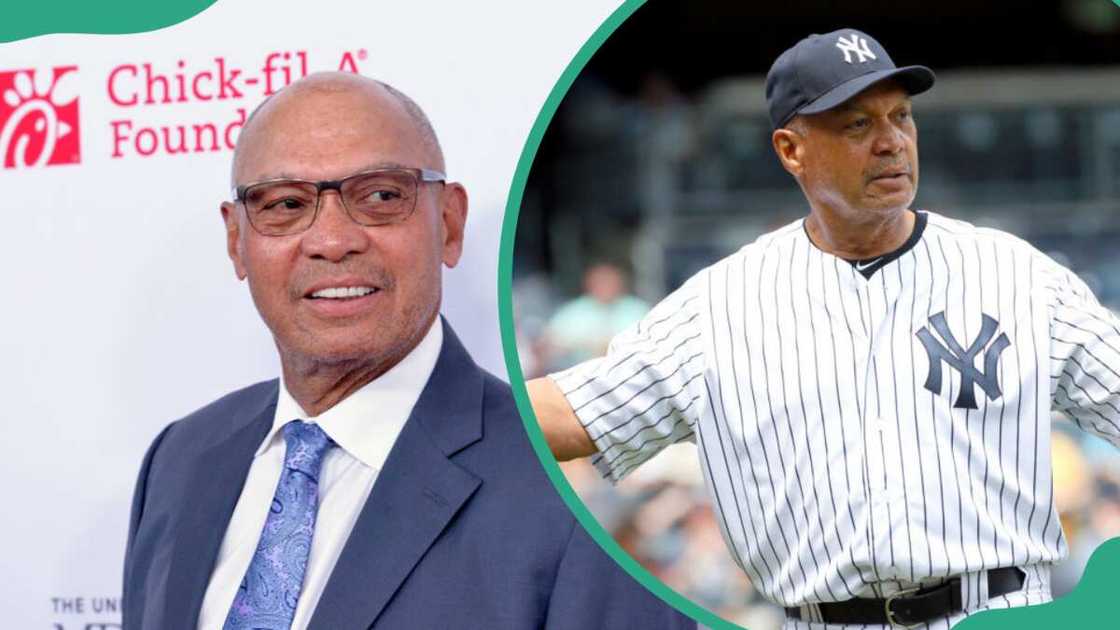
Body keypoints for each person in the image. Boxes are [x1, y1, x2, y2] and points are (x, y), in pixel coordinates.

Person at [528, 28, 1120, 629]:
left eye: (901, 116)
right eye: (857, 125)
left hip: (999, 609)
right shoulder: (720, 307)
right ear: (792, 149)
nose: (892, 142)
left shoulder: (1014, 275)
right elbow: (564, 415)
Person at [121, 72, 694, 630]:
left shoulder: (573, 497)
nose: (332, 241)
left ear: (448, 223)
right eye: (285, 205)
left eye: (379, 196)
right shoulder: (180, 461)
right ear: (236, 240)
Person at [546, 262, 651, 368]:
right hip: (579, 373)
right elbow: (550, 343)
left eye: (609, 281)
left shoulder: (638, 308)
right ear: (588, 284)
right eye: (600, 282)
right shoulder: (572, 311)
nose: (605, 286)